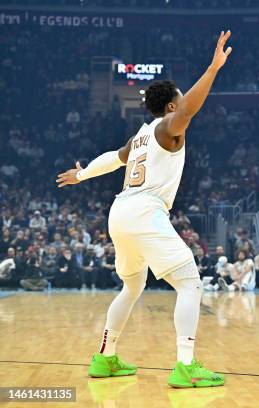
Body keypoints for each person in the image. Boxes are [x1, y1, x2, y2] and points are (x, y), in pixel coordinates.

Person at [55, 31, 232, 388]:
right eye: (178, 101)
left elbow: (115, 158)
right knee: (190, 284)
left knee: (131, 287)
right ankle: (186, 365)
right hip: (144, 211)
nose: (182, 106)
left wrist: (84, 173)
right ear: (170, 107)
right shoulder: (169, 129)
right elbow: (189, 108)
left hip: (120, 213)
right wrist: (213, 69)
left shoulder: (140, 136)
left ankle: (105, 359)